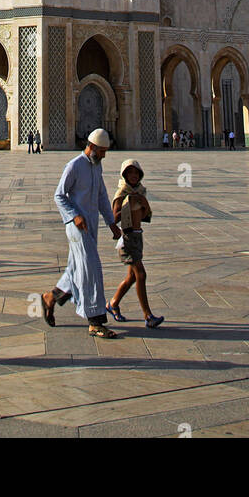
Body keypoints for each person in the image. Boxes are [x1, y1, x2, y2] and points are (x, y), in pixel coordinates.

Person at [40, 128, 123, 339]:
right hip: (77, 226)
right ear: (92, 147)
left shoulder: (96, 167)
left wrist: (111, 223)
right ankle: (95, 321)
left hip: (91, 225)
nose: (104, 155)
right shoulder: (74, 166)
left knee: (77, 268)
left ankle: (50, 297)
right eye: (102, 151)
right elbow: (59, 195)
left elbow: (102, 195)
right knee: (91, 269)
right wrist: (74, 215)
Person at [106, 159, 164, 328]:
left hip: (138, 236)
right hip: (128, 238)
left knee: (132, 277)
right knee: (141, 275)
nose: (133, 176)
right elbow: (113, 218)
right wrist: (127, 202)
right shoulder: (122, 193)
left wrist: (142, 202)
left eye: (136, 173)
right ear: (124, 175)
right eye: (130, 173)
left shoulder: (140, 191)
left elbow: (146, 215)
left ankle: (113, 303)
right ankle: (148, 315)